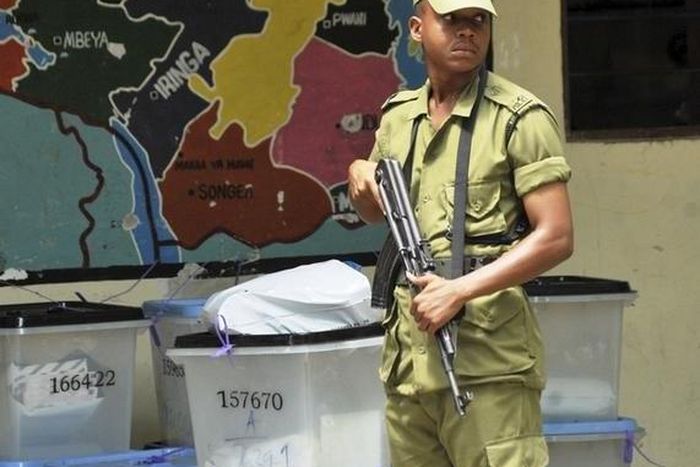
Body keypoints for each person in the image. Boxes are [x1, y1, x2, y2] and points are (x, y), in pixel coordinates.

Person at [347, 0, 574, 466]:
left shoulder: (518, 117)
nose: (467, 32)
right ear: (416, 28)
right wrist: (358, 174)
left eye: (478, 21)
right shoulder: (397, 118)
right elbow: (374, 213)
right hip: (409, 365)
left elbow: (555, 237)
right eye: (452, 20)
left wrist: (460, 290)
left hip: (488, 365)